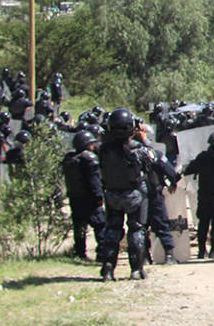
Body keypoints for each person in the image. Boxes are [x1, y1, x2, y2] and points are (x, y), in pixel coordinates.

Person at [97, 108, 150, 281]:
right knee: (136, 230)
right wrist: (144, 140)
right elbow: (152, 159)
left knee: (112, 230)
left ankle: (108, 268)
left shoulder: (103, 149)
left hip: (112, 194)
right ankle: (136, 269)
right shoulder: (138, 149)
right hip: (134, 194)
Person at [61, 130, 105, 261]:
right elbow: (94, 181)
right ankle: (102, 253)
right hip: (90, 199)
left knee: (79, 226)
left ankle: (80, 252)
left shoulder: (69, 158)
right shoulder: (89, 158)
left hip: (75, 198)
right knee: (100, 225)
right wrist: (99, 196)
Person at [182, 131, 214, 259]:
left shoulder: (203, 156)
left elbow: (189, 170)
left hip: (204, 195)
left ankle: (202, 250)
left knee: (203, 223)